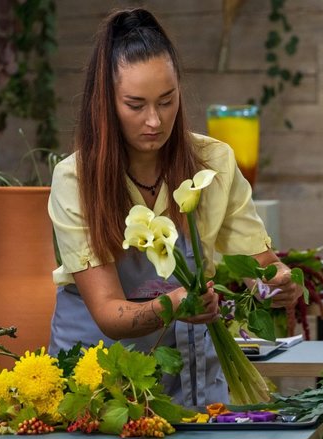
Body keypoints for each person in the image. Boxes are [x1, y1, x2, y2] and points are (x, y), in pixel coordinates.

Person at [47, 7, 301, 407]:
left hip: (193, 379)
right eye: (135, 105)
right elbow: (109, 314)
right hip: (99, 385)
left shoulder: (213, 163)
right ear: (106, 103)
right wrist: (175, 304)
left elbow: (260, 266)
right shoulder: (76, 179)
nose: (154, 121)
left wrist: (277, 283)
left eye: (167, 101)